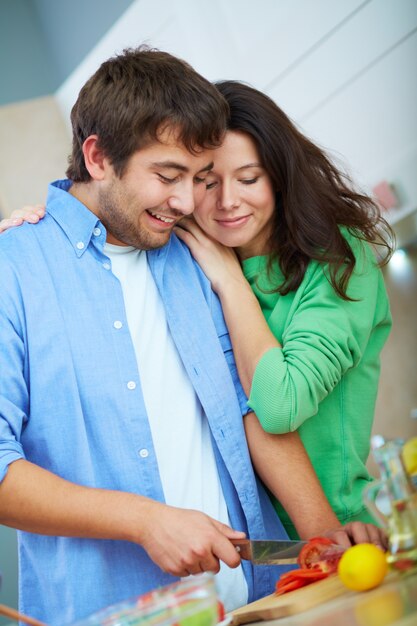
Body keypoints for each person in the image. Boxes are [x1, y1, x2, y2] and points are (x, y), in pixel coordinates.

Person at [0, 47, 371, 626]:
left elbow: (248, 410)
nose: (185, 201)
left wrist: (326, 541)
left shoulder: (193, 250)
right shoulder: (14, 269)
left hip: (259, 599)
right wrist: (144, 519)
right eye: (168, 176)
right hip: (113, 611)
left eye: (195, 179)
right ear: (98, 156)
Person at [172, 80, 393, 541]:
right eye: (208, 183)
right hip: (247, 549)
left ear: (280, 174)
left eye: (249, 179)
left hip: (339, 531)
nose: (228, 201)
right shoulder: (185, 260)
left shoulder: (339, 260)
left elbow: (277, 407)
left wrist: (231, 283)